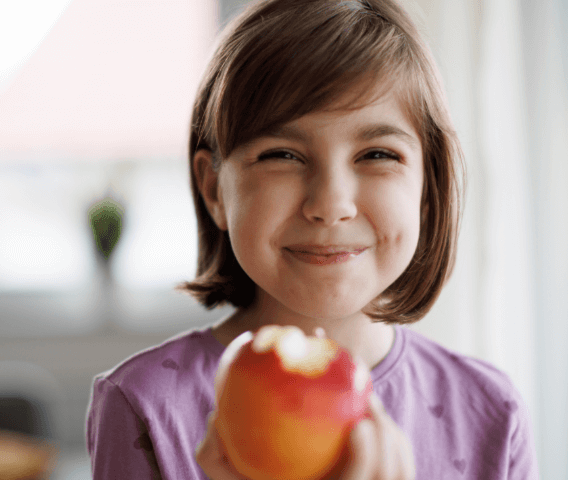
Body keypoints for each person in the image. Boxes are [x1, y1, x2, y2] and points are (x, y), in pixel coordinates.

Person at [85, 0, 539, 478]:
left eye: (378, 154)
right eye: (282, 153)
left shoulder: (493, 413)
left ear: (427, 188)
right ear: (214, 189)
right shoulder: (143, 408)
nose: (330, 203)